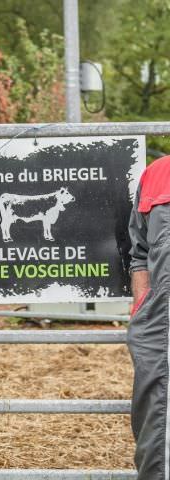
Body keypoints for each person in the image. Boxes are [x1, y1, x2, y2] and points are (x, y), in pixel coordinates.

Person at [128, 155, 170, 480]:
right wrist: (142, 303)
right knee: (156, 427)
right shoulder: (156, 174)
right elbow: (139, 252)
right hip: (160, 325)